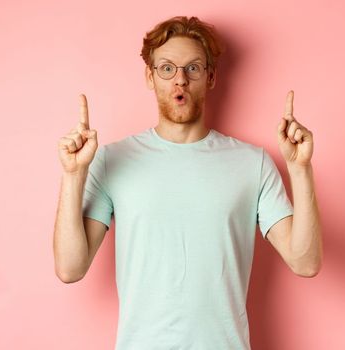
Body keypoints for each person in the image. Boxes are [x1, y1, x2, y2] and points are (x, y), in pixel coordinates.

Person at [52, 16, 323, 349]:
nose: (179, 79)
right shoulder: (111, 160)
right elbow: (70, 268)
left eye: (193, 68)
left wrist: (300, 169)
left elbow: (305, 261)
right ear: (150, 77)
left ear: (209, 78)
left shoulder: (252, 163)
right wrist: (73, 174)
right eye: (167, 68)